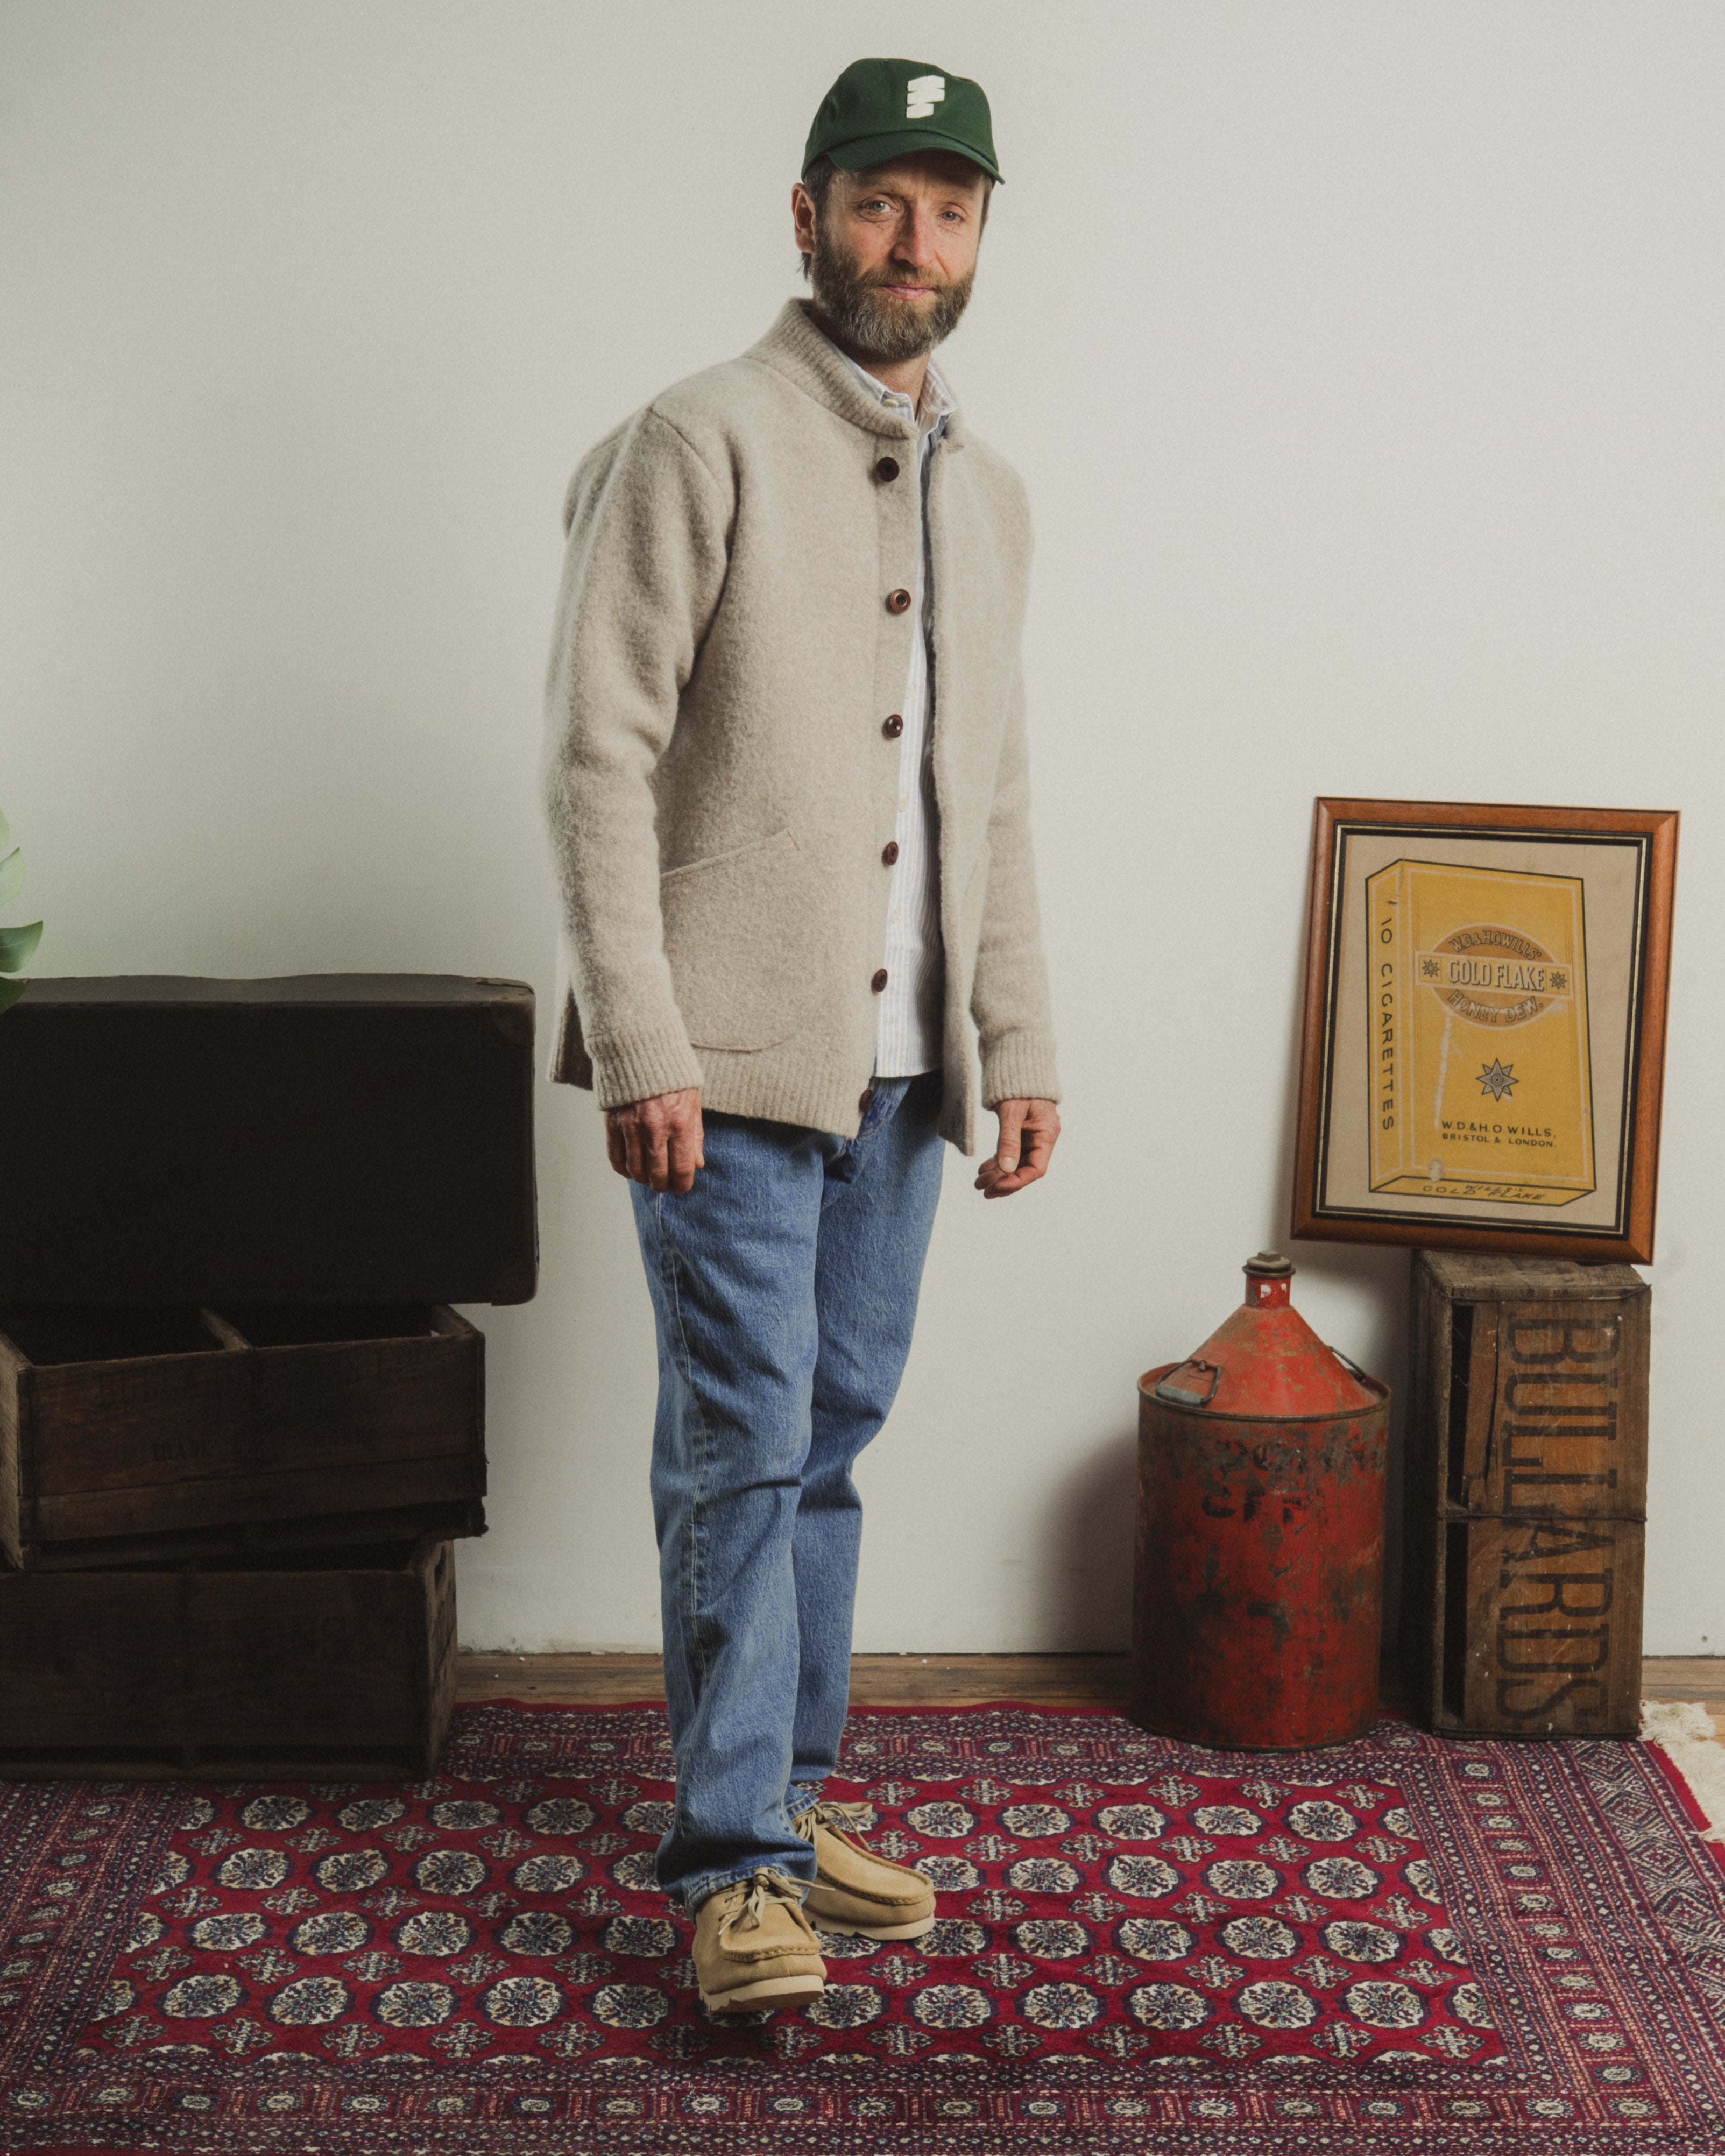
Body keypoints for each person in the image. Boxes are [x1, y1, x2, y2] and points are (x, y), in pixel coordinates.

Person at [541, 55, 1061, 2017]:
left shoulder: (993, 497)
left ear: (983, 237)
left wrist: (1023, 1034)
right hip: (728, 1061)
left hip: (909, 1070)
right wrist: (641, 1036)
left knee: (830, 1440)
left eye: (947, 209)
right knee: (745, 1446)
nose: (909, 243)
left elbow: (991, 794)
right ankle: (734, 1865)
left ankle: (787, 1795)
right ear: (806, 213)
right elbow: (597, 762)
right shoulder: (696, 438)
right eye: (875, 202)